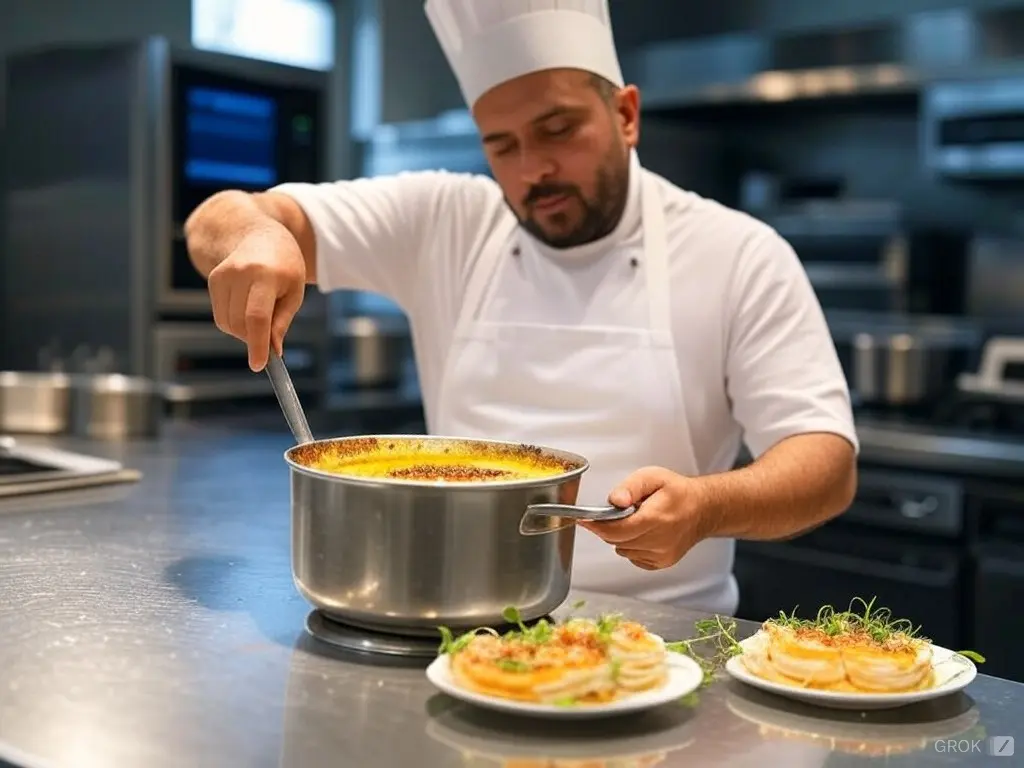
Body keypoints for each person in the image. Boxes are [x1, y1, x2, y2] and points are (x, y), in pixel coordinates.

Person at [184, 0, 858, 615]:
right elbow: (218, 217)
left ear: (626, 115)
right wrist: (261, 237)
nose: (532, 169)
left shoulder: (737, 254)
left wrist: (708, 506)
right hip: (456, 625)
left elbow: (825, 464)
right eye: (501, 145)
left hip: (667, 641)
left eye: (557, 129)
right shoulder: (447, 221)